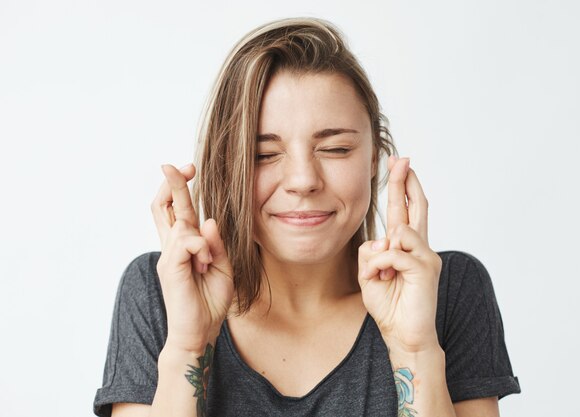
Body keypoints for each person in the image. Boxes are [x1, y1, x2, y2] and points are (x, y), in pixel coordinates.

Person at [93, 17, 520, 417]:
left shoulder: (448, 291)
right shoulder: (159, 292)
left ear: (376, 157)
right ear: (226, 165)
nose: (303, 180)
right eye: (264, 154)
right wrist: (188, 345)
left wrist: (415, 349)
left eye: (335, 149)